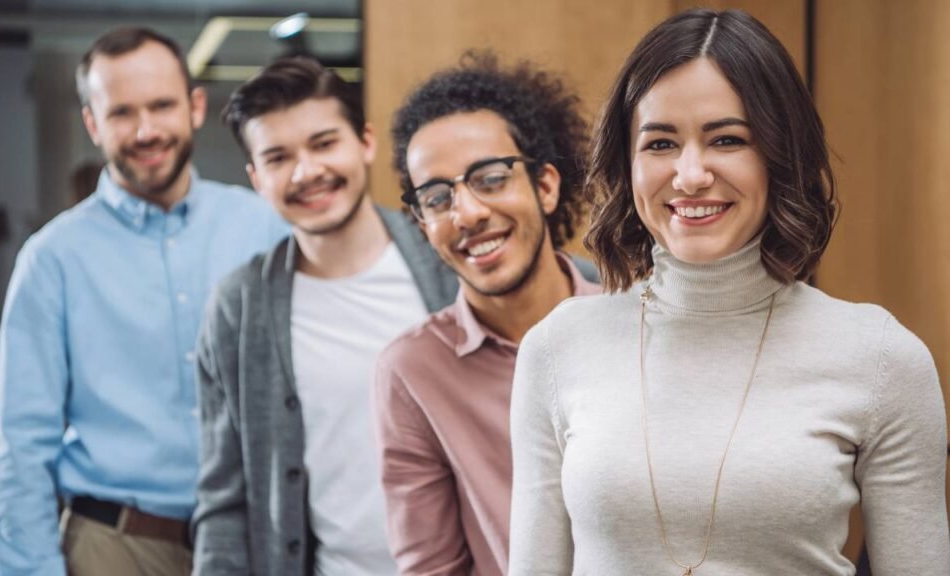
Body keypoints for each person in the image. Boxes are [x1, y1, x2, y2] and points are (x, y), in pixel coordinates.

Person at [509, 9, 949, 576]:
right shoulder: (556, 348)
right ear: (628, 162)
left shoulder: (883, 359)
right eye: (661, 143)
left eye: (726, 139)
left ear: (778, 154)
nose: (690, 175)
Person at [0, 27, 289, 576]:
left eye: (162, 105)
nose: (147, 130)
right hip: (116, 548)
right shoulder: (51, 259)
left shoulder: (262, 227)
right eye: (122, 113)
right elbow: (19, 450)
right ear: (93, 124)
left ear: (195, 107)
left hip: (255, 542)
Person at [192, 56, 458, 576]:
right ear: (255, 177)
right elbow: (223, 498)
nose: (306, 172)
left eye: (323, 144)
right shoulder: (238, 307)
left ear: (365, 142)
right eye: (277, 157)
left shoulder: (448, 262)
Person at [374, 53, 600, 576]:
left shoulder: (635, 320)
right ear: (421, 221)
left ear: (545, 186)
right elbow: (431, 568)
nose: (468, 213)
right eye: (436, 197)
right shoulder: (412, 371)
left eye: (492, 178)